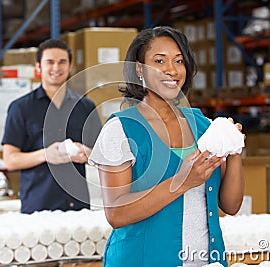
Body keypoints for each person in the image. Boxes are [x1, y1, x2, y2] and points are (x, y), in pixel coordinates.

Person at [88, 26, 244, 266]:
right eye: (159, 61)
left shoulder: (203, 125)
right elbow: (116, 213)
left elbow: (231, 206)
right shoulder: (121, 129)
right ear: (139, 69)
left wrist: (234, 150)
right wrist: (182, 182)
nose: (172, 70)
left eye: (179, 61)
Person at [2, 39, 102, 214]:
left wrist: (86, 153)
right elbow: (10, 160)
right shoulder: (21, 108)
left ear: (70, 66)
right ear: (38, 67)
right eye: (50, 62)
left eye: (62, 62)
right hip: (38, 207)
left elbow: (103, 156)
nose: (56, 67)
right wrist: (46, 155)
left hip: (78, 207)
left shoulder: (86, 107)